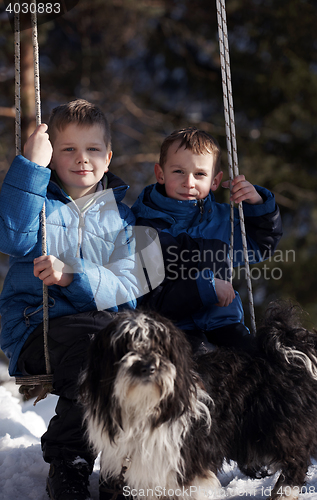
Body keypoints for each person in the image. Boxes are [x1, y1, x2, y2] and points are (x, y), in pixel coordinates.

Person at [0, 99, 150, 500]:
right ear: (53, 156)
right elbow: (11, 237)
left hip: (103, 331)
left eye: (92, 149)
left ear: (109, 156)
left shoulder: (122, 217)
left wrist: (75, 275)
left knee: (133, 360)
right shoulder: (39, 201)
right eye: (68, 149)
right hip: (38, 328)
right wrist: (30, 167)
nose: (81, 159)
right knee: (98, 351)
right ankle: (70, 460)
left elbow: (129, 281)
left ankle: (119, 465)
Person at [132, 127, 283, 353]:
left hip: (224, 323)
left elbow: (261, 245)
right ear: (160, 174)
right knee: (203, 362)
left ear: (215, 180)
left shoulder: (223, 220)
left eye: (200, 174)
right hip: (172, 327)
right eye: (179, 172)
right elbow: (149, 297)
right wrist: (206, 288)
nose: (189, 182)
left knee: (258, 361)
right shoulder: (145, 226)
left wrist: (257, 204)